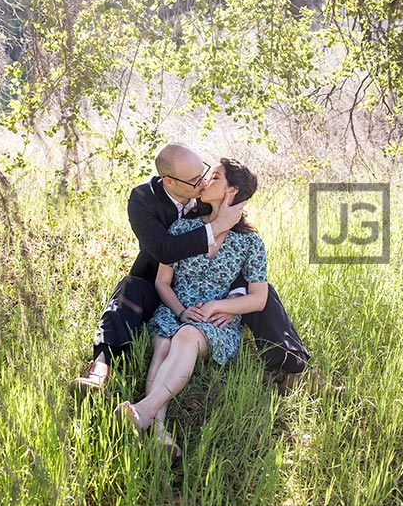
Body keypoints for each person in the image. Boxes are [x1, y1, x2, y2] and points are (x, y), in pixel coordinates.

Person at [69, 144, 309, 394]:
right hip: (160, 283)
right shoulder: (143, 200)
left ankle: (296, 371)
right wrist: (216, 226)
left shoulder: (206, 194)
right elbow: (163, 249)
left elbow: (237, 252)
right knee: (128, 288)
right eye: (196, 180)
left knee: (263, 293)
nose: (203, 182)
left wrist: (231, 300)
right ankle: (101, 368)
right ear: (170, 182)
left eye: (205, 173)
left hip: (214, 290)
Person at [115, 158, 267, 458]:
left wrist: (218, 306)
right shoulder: (184, 226)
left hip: (215, 321)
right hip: (176, 309)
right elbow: (162, 283)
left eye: (215, 178)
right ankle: (160, 433)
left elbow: (259, 298)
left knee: (186, 337)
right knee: (162, 347)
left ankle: (143, 412)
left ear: (231, 191)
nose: (204, 183)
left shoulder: (249, 242)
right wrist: (181, 311)